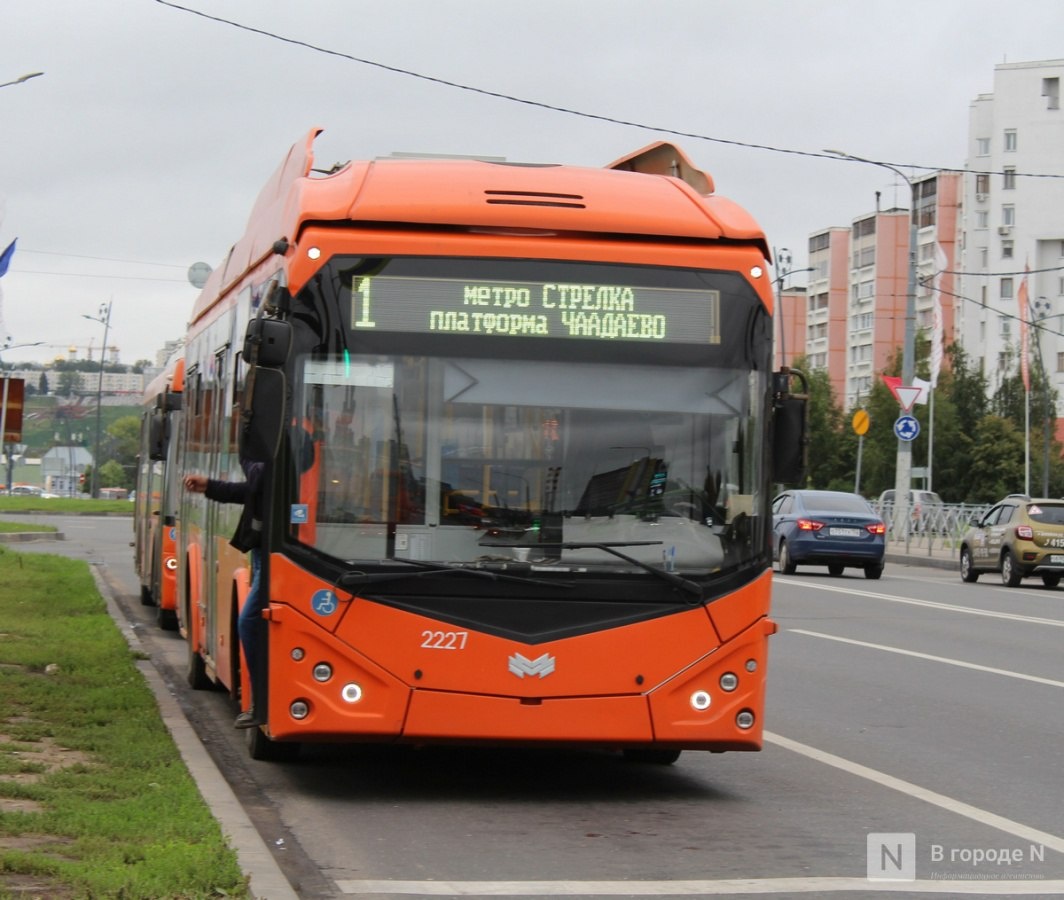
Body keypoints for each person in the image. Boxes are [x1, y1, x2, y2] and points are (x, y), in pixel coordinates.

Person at [184, 459, 265, 729]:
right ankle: (261, 701)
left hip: (281, 550)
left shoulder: (276, 439)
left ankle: (262, 702)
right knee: (251, 622)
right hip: (263, 548)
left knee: (250, 622)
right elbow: (255, 491)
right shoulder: (263, 444)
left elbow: (260, 487)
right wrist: (211, 487)